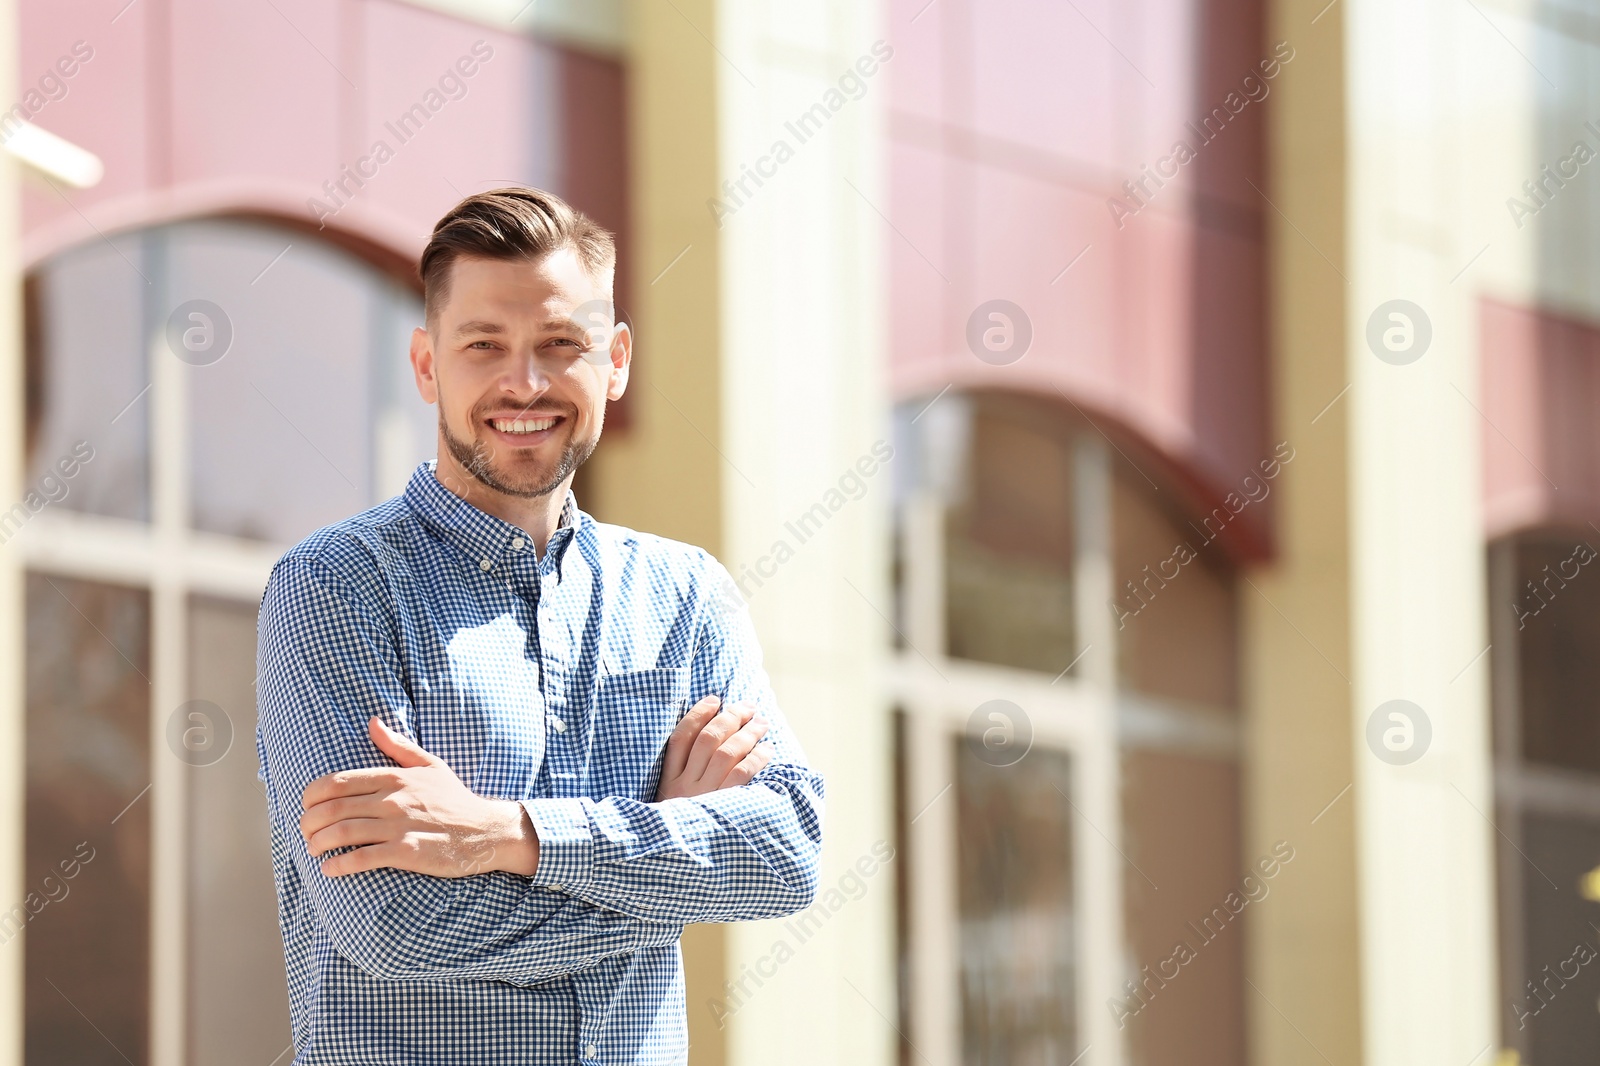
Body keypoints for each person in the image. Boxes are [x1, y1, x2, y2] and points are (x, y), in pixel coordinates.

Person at [255, 187, 824, 1065]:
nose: (525, 383)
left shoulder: (685, 597)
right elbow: (388, 924)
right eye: (484, 346)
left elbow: (787, 850)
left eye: (562, 345)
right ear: (426, 364)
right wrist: (664, 854)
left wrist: (505, 836)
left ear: (617, 359)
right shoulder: (335, 589)